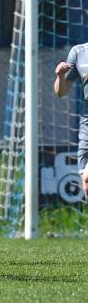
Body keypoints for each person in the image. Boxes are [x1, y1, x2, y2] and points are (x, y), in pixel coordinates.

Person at [54, 43, 88, 199]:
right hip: (87, 123)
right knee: (86, 181)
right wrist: (60, 76)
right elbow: (61, 91)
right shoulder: (79, 51)